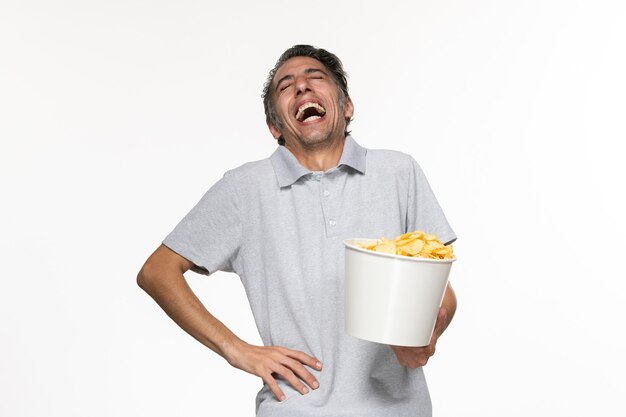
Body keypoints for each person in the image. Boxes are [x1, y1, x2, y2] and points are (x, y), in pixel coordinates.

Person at [137, 45, 457, 417]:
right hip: (295, 408)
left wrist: (425, 335)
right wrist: (236, 349)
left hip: (399, 410)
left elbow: (443, 291)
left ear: (347, 105)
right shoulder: (245, 188)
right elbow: (157, 272)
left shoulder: (398, 172)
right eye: (286, 86)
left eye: (316, 78)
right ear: (275, 126)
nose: (302, 88)